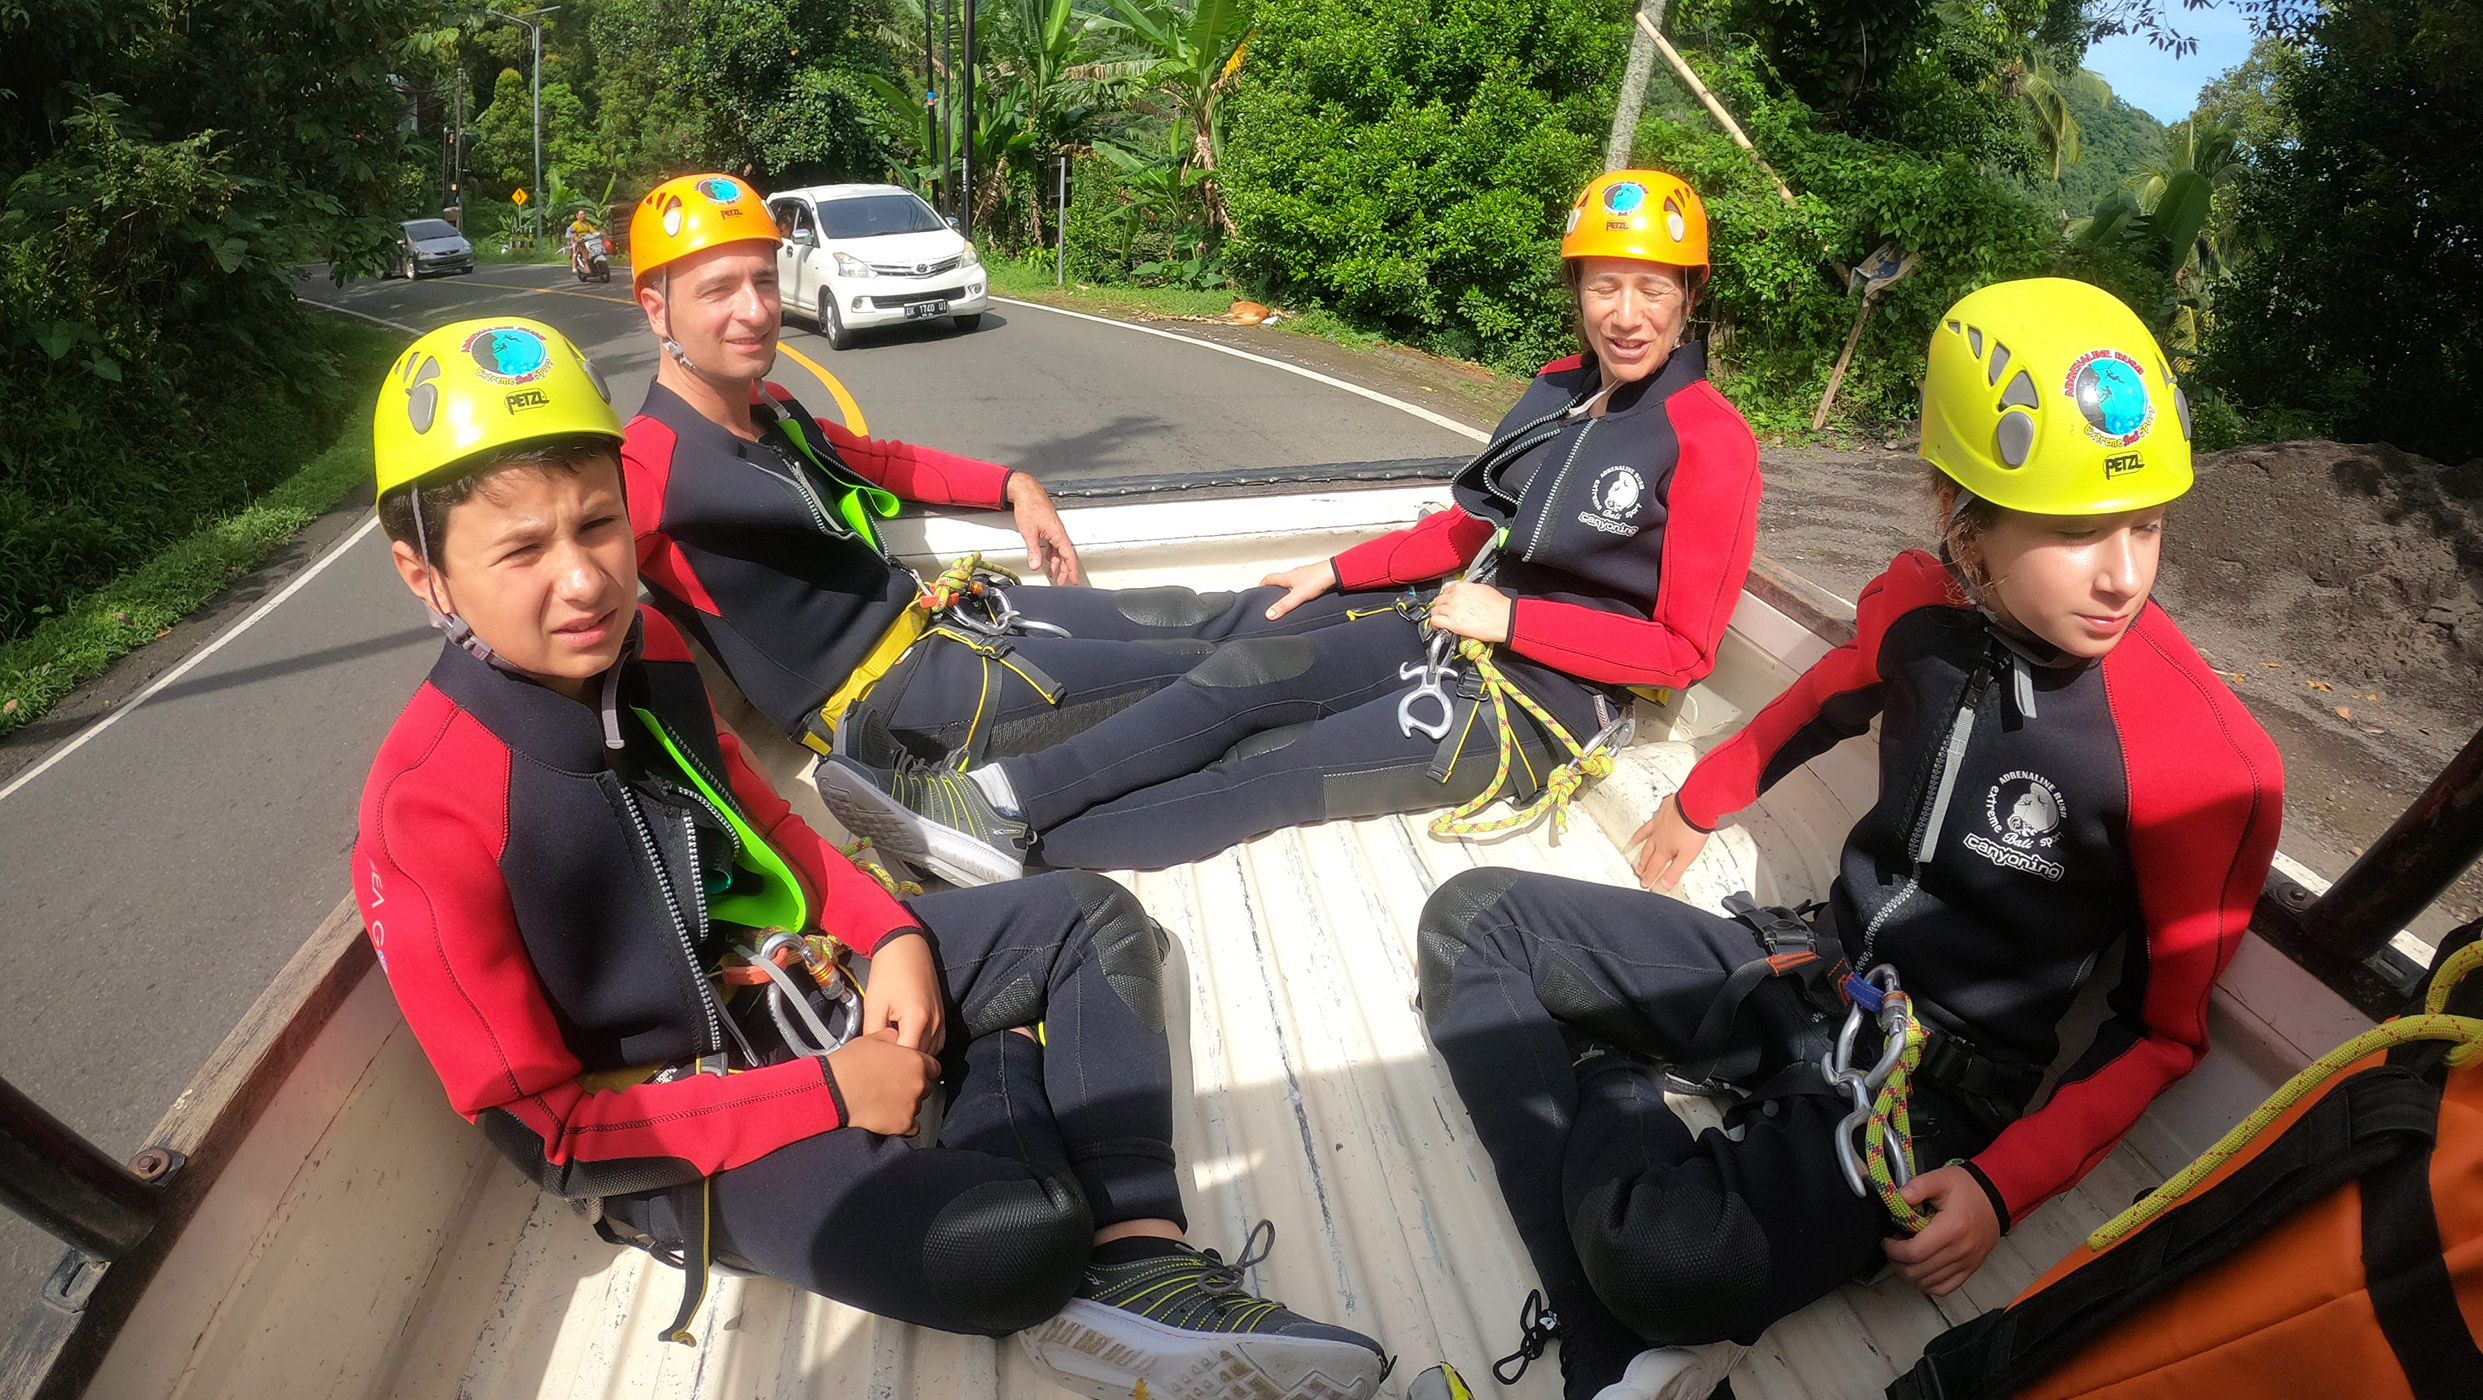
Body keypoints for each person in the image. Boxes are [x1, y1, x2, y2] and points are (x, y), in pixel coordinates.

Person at [351, 315, 1389, 1400]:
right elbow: (548, 1134)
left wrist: (891, 935)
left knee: (1087, 913)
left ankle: (1142, 1252)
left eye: (599, 525)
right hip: (680, 1133)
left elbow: (783, 830)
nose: (583, 582)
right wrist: (829, 1093)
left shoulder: (648, 650)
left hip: (797, 985)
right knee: (1015, 1247)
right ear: (423, 573)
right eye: (522, 550)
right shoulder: (427, 808)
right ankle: (997, 1083)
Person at [1408, 279, 2285, 1400]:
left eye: (2147, 521)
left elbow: (2162, 1032)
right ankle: (1614, 1248)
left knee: (1668, 1262)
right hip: (1805, 966)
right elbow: (1827, 694)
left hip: (1926, 1087)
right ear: (1958, 514)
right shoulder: (1920, 609)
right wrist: (1696, 802)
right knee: (1474, 917)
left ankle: (1607, 1125)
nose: (2123, 571)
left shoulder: (2204, 761)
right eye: (2072, 530)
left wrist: (2002, 1184)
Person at [824, 168, 1762, 884]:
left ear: (1689, 294)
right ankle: (987, 802)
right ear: (1578, 289)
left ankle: (1011, 855)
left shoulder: (1711, 440)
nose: (1627, 315)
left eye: (1652, 288)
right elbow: (1463, 526)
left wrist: (1513, 623)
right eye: (1607, 287)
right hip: (1452, 626)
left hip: (1542, 705)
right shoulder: (1561, 391)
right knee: (1240, 675)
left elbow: (1681, 651)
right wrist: (1340, 571)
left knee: (1267, 771)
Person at [616, 172, 1410, 814]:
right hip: (902, 706)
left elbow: (886, 459)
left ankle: (1408, 604)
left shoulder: (776, 411)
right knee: (1211, 674)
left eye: (761, 279)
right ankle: (1417, 664)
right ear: (658, 309)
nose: (754, 310)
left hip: (956, 623)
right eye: (718, 290)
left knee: (1201, 613)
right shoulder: (643, 467)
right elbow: (557, 599)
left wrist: (1014, 485)